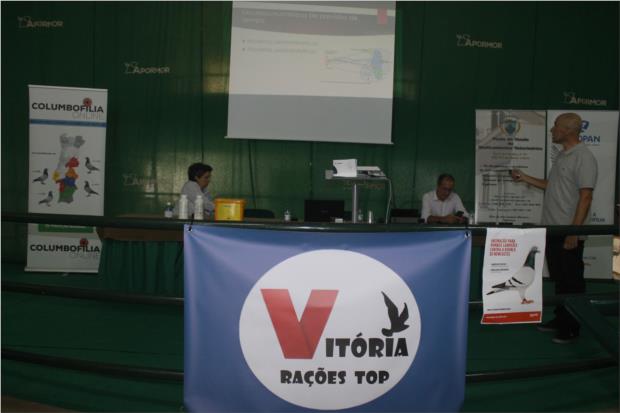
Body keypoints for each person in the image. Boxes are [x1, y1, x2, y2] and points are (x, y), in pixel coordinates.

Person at [511, 112, 598, 344]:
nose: (552, 130)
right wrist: (525, 177)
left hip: (568, 232)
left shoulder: (584, 157)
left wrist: (574, 232)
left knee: (572, 282)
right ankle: (561, 319)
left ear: (568, 130)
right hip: (553, 230)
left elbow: (586, 197)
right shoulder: (562, 156)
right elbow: (553, 185)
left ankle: (572, 328)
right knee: (560, 280)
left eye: (556, 126)